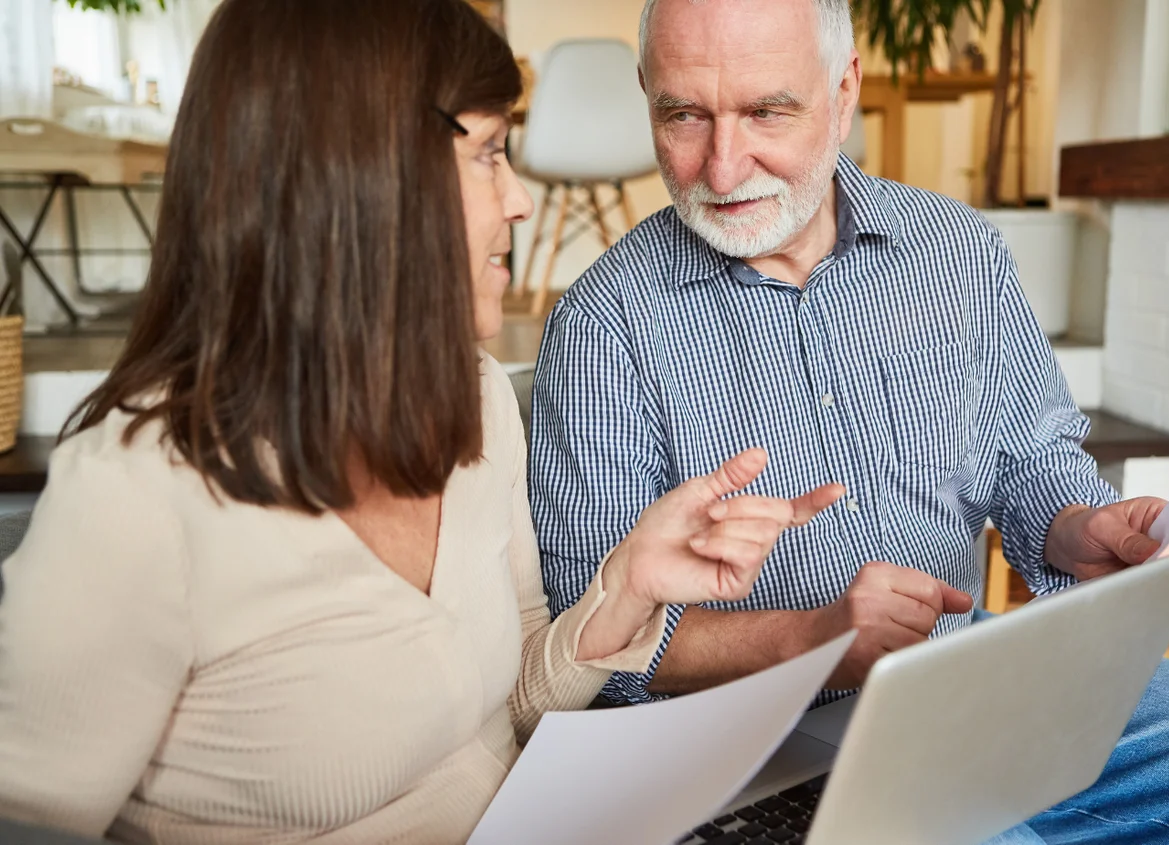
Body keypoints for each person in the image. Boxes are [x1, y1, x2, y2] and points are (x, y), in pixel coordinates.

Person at [0, 1, 843, 842]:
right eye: (488, 154)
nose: (519, 200)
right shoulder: (137, 493)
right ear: (362, 172)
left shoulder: (470, 396)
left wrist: (627, 586)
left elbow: (502, 707)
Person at [530, 0, 1169, 842]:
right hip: (760, 740)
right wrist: (813, 640)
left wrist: (1077, 524)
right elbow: (595, 643)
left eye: (767, 111)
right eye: (684, 116)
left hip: (975, 671)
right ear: (647, 95)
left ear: (843, 90)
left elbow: (1030, 455)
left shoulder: (959, 253)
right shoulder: (603, 327)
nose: (724, 166)